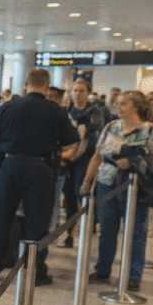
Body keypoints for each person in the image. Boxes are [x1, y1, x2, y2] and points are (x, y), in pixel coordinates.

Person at [0, 68, 79, 285]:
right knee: (37, 222)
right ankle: (36, 272)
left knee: (0, 218)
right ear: (47, 85)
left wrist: (9, 142)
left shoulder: (8, 107)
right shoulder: (56, 110)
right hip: (40, 168)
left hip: (9, 166)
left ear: (26, 85)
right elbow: (71, 142)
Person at [80, 90, 153, 292]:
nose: (119, 107)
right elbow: (97, 156)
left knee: (135, 232)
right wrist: (87, 181)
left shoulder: (151, 130)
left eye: (124, 104)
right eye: (118, 103)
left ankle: (133, 275)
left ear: (136, 107)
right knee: (107, 230)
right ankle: (103, 269)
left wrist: (133, 161)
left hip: (134, 187)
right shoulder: (111, 127)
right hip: (106, 183)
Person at [58, 79, 104, 248]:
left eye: (81, 90)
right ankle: (69, 235)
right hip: (68, 158)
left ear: (88, 92)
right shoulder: (66, 110)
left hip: (86, 159)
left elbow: (95, 132)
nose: (78, 94)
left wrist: (83, 129)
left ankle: (87, 229)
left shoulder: (95, 111)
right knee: (69, 196)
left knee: (83, 193)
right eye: (75, 90)